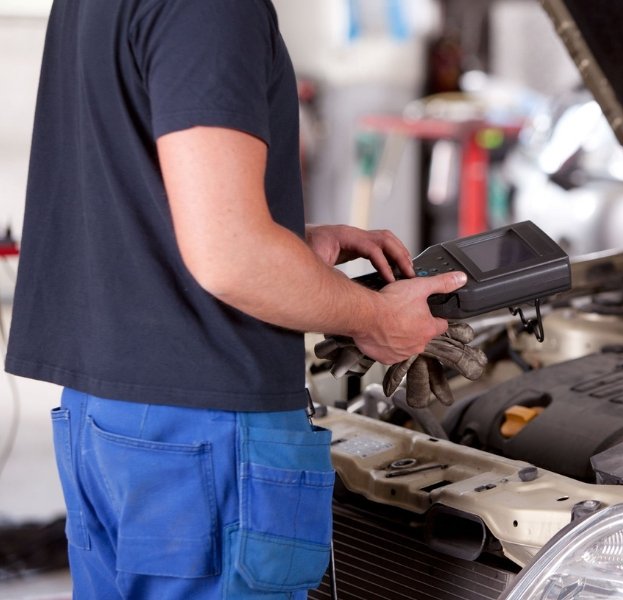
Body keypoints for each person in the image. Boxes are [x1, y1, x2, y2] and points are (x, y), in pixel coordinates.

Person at [4, 0, 465, 598]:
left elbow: (136, 192)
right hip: (202, 429)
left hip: (106, 414)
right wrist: (376, 317)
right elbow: (230, 256)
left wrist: (291, 248)